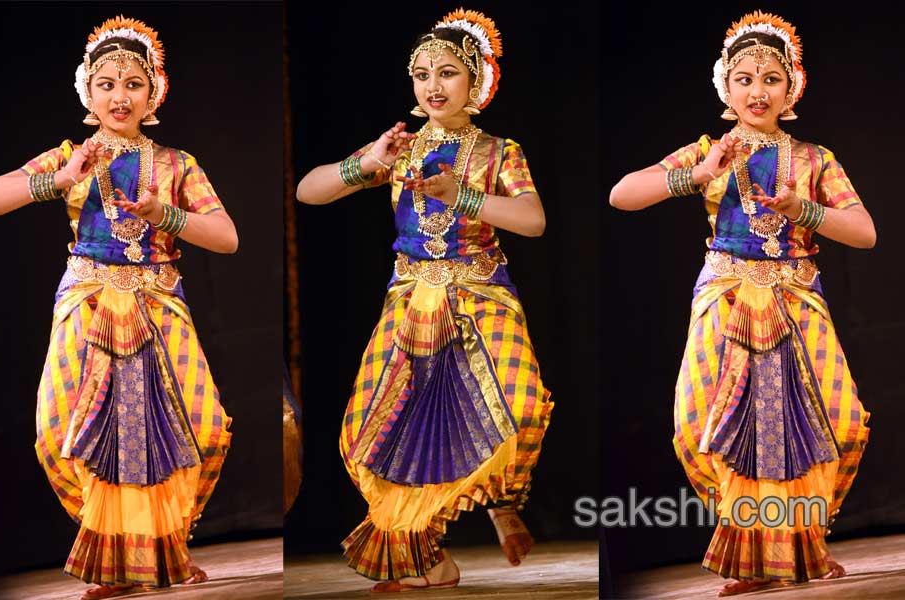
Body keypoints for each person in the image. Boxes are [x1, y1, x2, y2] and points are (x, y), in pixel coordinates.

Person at [0, 16, 236, 600]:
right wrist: (60, 178)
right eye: (107, 83)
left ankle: (166, 542)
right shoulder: (71, 155)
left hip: (157, 305)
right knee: (62, 431)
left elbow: (225, 236)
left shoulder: (176, 164)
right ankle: (116, 554)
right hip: (87, 304)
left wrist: (164, 215)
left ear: (154, 92)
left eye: (133, 83)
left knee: (200, 427)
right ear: (87, 94)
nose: (121, 95)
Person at [609, 11, 873, 597]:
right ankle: (753, 549)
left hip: (795, 298)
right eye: (745, 79)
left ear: (791, 88)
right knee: (699, 425)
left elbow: (863, 231)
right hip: (726, 296)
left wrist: (801, 210)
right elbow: (622, 194)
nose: (758, 91)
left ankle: (802, 542)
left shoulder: (814, 159)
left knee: (836, 422)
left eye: (771, 78)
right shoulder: (709, 150)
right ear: (725, 89)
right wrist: (697, 174)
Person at [296, 9, 553, 592]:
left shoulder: (498, 152)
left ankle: (502, 500)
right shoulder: (400, 148)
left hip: (481, 297)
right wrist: (367, 162)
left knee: (518, 407)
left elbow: (532, 221)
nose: (432, 86)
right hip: (411, 303)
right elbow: (309, 191)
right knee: (379, 432)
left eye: (447, 73)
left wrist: (463, 196)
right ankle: (428, 561)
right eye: (421, 74)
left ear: (477, 83)